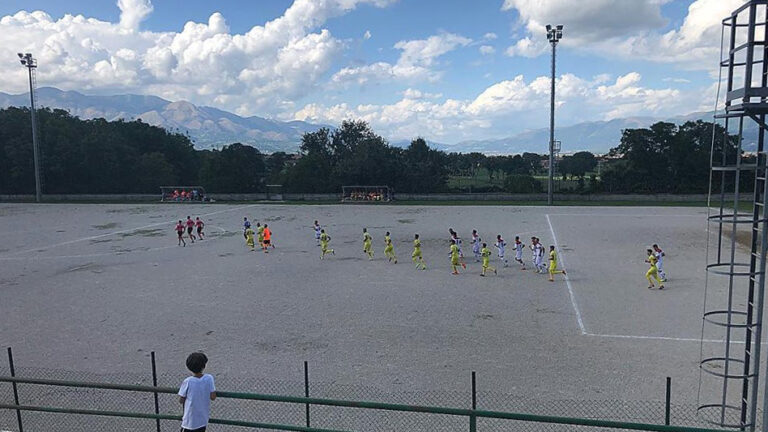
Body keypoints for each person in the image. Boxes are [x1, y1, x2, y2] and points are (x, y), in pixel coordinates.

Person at [178, 352, 216, 432]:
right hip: (202, 419)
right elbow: (213, 397)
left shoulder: (187, 381)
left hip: (189, 421)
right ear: (203, 366)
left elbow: (181, 400)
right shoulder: (209, 378)